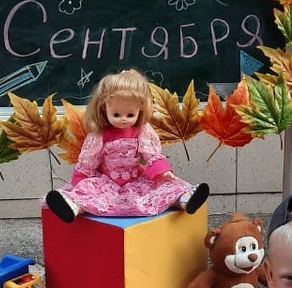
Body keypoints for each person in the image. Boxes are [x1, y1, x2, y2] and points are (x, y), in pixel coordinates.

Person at [44, 68, 208, 222]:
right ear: (104, 109)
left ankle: (184, 199)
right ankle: (73, 206)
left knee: (166, 186)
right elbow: (89, 159)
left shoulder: (141, 131)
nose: (123, 119)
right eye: (116, 114)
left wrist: (162, 171)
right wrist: (79, 180)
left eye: (130, 115)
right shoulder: (99, 134)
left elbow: (151, 153)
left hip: (135, 180)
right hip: (106, 182)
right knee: (87, 190)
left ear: (140, 110)